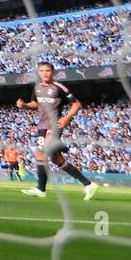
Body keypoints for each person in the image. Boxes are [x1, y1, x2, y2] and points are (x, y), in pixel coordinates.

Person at [16, 62, 99, 200]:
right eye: (41, 70)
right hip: (42, 126)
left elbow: (77, 104)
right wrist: (24, 105)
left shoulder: (59, 87)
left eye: (47, 70)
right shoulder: (37, 87)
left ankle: (41, 189)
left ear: (52, 72)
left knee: (40, 153)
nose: (45, 73)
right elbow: (35, 104)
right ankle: (88, 184)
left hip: (54, 125)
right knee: (57, 160)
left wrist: (66, 118)